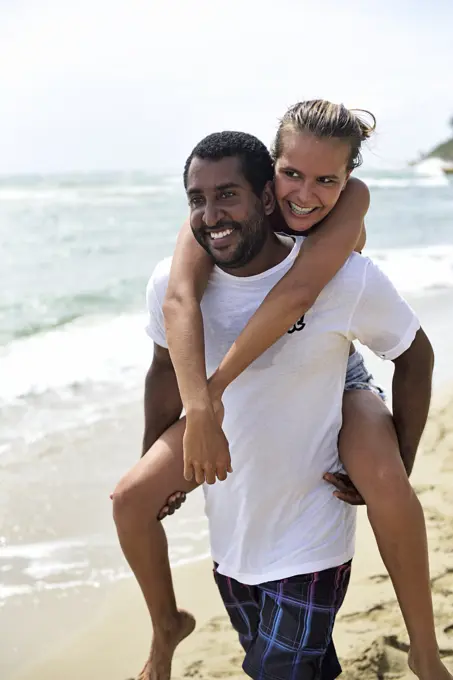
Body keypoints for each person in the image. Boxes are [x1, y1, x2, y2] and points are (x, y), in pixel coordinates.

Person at [111, 124, 447, 680]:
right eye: (293, 174)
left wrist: (210, 397)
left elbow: (300, 295)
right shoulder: (205, 239)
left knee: (386, 479)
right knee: (129, 498)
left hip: (340, 376)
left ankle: (425, 652)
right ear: (274, 173)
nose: (304, 194)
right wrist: (162, 455)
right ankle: (165, 625)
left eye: (326, 181)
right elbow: (174, 323)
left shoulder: (342, 240)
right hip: (243, 467)